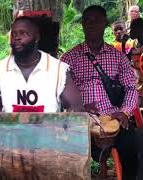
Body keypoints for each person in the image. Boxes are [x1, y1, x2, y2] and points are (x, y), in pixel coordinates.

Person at [60, 5, 138, 179]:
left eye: (96, 21)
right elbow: (59, 93)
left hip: (113, 116)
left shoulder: (117, 56)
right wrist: (77, 107)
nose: (91, 25)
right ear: (82, 25)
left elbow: (131, 88)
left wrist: (125, 111)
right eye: (87, 21)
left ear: (105, 24)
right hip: (81, 119)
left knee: (133, 147)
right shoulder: (68, 58)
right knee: (63, 152)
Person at [0, 16, 84, 113]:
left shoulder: (58, 69)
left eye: (23, 33)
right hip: (11, 128)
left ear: (37, 37)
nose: (17, 37)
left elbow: (76, 107)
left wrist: (59, 126)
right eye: (14, 34)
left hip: (49, 127)